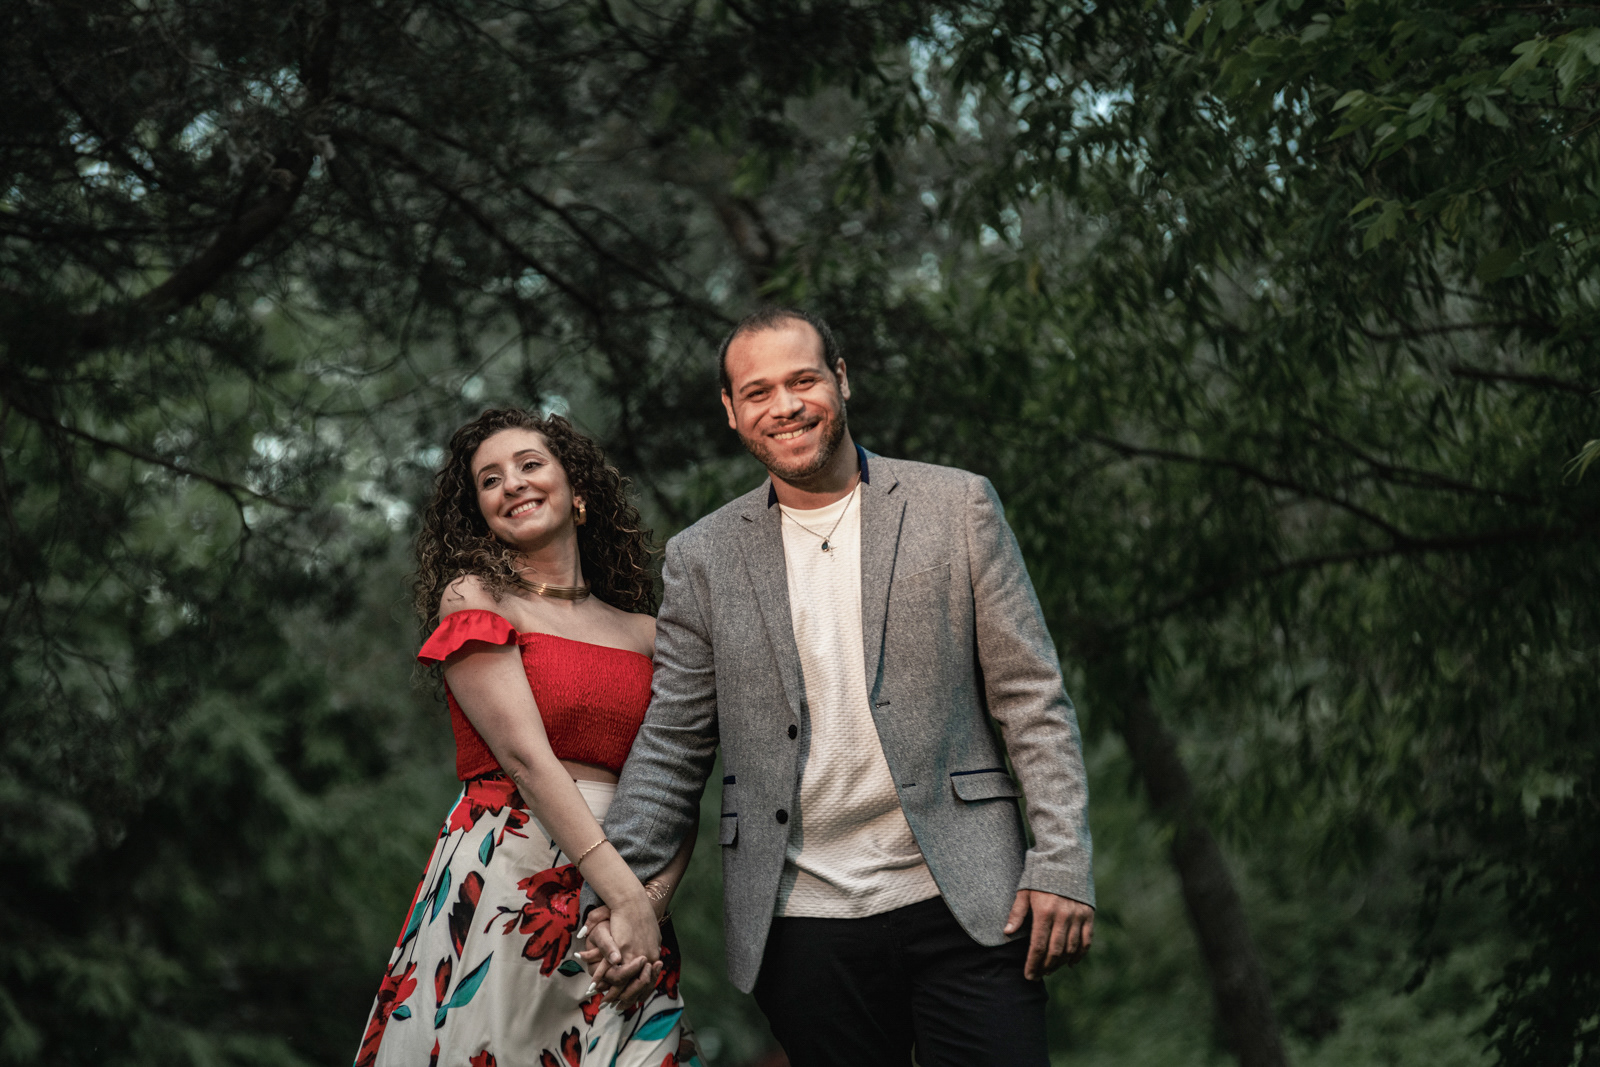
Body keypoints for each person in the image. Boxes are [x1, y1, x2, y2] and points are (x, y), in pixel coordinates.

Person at [580, 308, 1095, 1066]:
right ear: (730, 411)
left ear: (841, 379)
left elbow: (1031, 698)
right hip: (801, 927)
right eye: (757, 392)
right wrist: (612, 895)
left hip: (972, 899)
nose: (783, 406)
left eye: (802, 380)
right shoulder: (702, 557)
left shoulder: (957, 506)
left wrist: (1060, 859)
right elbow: (671, 747)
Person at [354, 409, 701, 1067]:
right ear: (481, 512)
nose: (511, 483)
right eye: (490, 479)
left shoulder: (650, 634)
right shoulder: (477, 597)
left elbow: (679, 785)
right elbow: (525, 758)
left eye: (530, 464)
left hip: (633, 882)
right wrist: (623, 895)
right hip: (510, 873)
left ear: (578, 491)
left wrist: (646, 910)